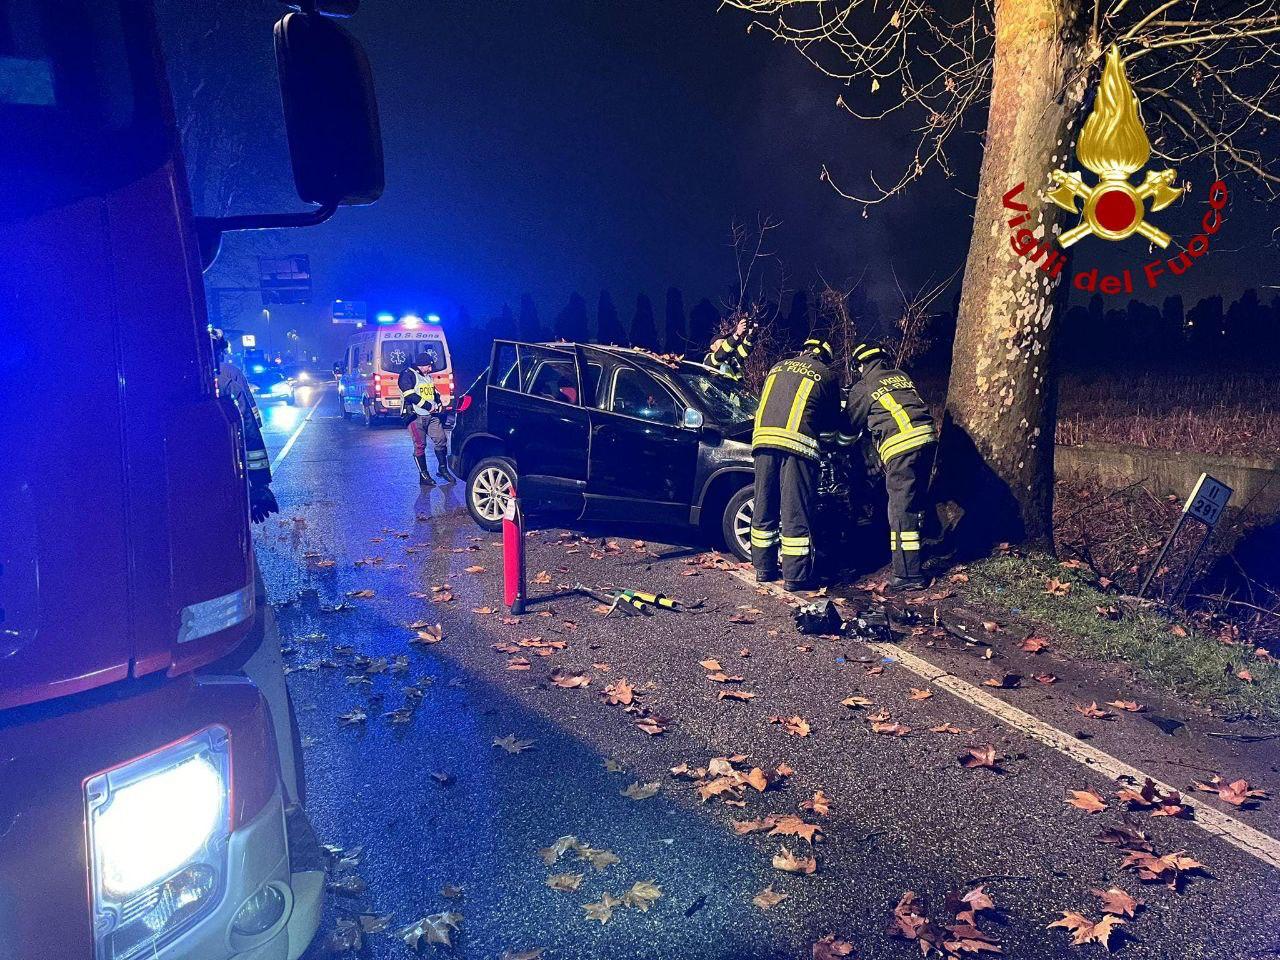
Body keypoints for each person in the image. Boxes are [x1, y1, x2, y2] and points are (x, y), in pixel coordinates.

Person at [750, 335, 843, 591]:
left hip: (762, 443)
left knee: (764, 506)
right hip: (797, 448)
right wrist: (834, 445)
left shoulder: (777, 367)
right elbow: (832, 424)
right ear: (824, 355)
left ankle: (763, 569)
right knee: (794, 511)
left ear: (803, 350)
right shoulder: (825, 374)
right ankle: (795, 577)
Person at [846, 342, 937, 589]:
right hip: (928, 439)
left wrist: (839, 443)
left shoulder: (864, 385)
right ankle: (924, 549)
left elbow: (850, 426)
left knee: (900, 508)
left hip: (901, 445)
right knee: (917, 500)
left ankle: (908, 575)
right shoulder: (900, 376)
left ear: (861, 365)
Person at [211, 329, 279, 523]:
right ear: (220, 352)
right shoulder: (229, 378)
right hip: (228, 470)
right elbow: (249, 428)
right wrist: (259, 484)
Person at [399, 351, 455, 485]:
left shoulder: (427, 376)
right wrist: (428, 405)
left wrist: (439, 402)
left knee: (441, 440)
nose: (430, 369)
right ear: (421, 365)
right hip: (415, 416)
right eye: (428, 366)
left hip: (431, 416)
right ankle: (424, 475)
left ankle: (442, 469)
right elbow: (409, 395)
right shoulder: (407, 375)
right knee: (420, 446)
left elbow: (433, 391)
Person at [703, 315, 757, 381]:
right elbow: (720, 355)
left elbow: (745, 350)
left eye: (726, 340)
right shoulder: (709, 360)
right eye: (722, 341)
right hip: (719, 389)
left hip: (735, 389)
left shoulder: (731, 359)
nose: (725, 342)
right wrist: (737, 334)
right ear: (713, 346)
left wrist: (751, 333)